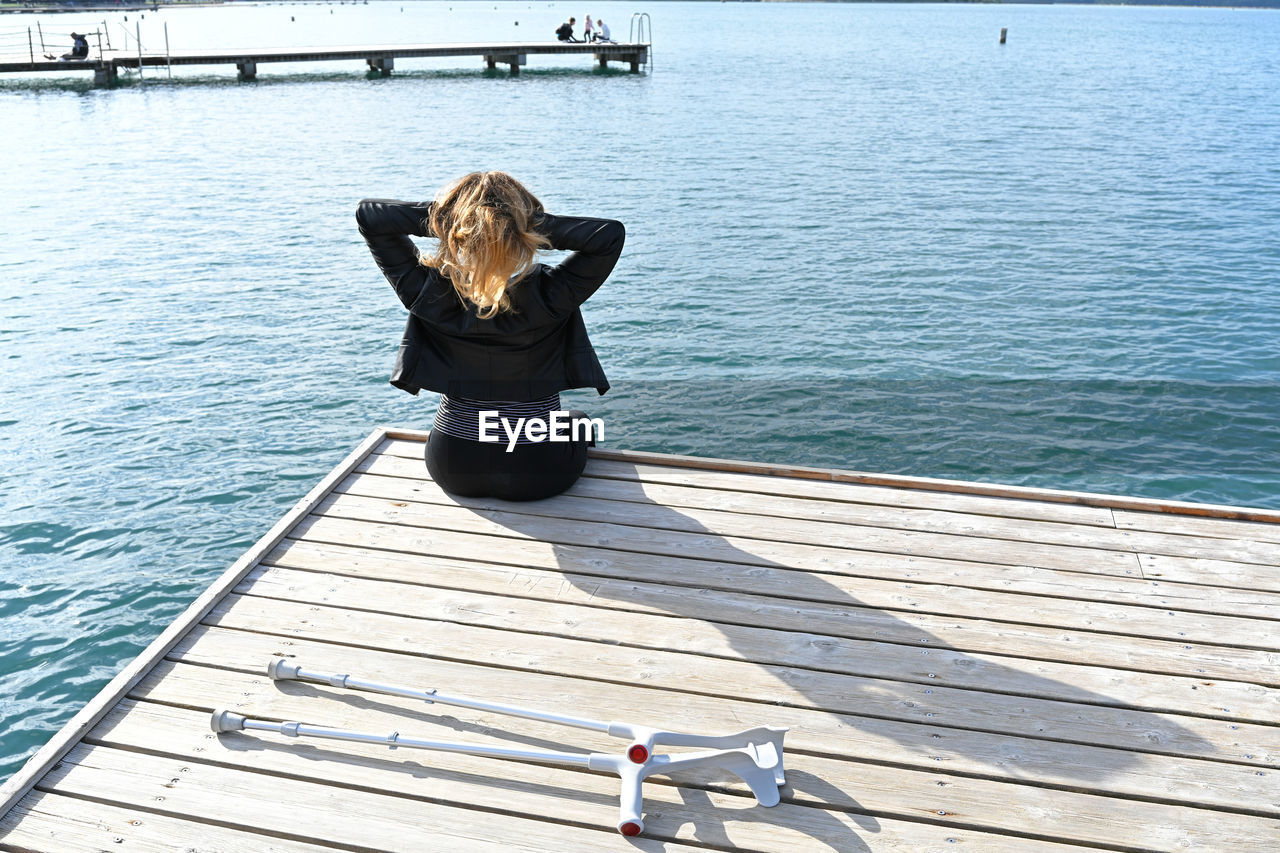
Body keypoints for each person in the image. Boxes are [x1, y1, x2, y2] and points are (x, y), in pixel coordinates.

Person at [356, 172, 625, 501]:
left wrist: (457, 218)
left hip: (451, 466)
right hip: (538, 472)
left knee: (567, 421)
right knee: (578, 420)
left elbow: (370, 215)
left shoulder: (426, 291)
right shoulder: (552, 295)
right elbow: (608, 235)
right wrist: (515, 223)